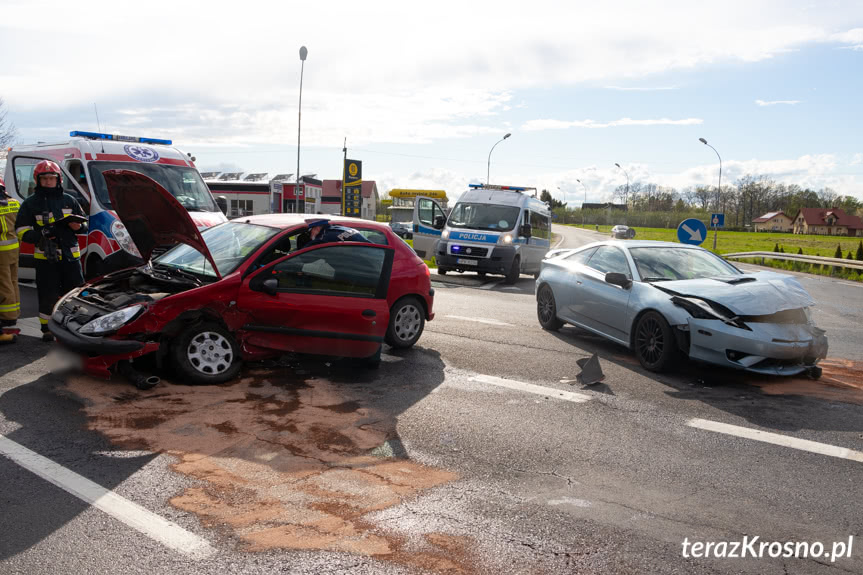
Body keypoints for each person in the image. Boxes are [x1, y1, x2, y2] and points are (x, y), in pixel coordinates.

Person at [15, 160, 87, 342]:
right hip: (46, 257)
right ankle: (47, 329)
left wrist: (78, 226)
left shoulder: (69, 200)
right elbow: (21, 230)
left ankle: (74, 326)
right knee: (48, 293)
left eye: (51, 178)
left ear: (58, 179)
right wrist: (40, 236)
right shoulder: (30, 203)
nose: (48, 181)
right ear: (37, 180)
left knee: (75, 293)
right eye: (44, 178)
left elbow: (84, 224)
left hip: (71, 257)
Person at [0, 176, 21, 344]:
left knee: (4, 284)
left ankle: (8, 319)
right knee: (13, 282)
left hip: (1, 252)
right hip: (14, 249)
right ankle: (14, 315)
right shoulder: (14, 203)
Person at [298, 219, 371, 249]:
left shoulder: (324, 237)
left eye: (310, 230)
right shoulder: (339, 228)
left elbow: (303, 256)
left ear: (316, 228)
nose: (310, 234)